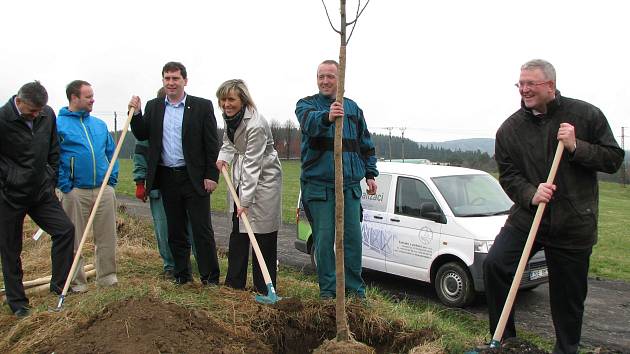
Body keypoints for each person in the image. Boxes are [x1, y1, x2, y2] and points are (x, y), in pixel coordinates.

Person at [484, 59, 624, 354]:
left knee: (567, 298)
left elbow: (613, 159)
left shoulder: (585, 115)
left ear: (550, 85)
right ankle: (506, 342)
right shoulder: (510, 129)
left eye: (530, 84)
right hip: (529, 216)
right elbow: (508, 175)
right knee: (495, 265)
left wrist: (576, 147)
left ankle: (565, 350)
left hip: (574, 221)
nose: (523, 89)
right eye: (520, 84)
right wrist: (530, 193)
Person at [128, 61, 221, 285]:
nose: (171, 83)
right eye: (167, 79)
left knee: (201, 229)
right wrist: (136, 113)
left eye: (175, 78)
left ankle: (210, 279)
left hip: (194, 178)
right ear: (163, 81)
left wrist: (212, 175)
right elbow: (142, 133)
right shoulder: (155, 106)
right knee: (175, 230)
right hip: (168, 177)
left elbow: (211, 143)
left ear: (184, 81)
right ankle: (182, 275)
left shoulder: (202, 106)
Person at [295, 59, 378, 299]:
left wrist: (370, 173)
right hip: (319, 187)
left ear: (340, 79)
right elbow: (309, 123)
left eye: (330, 76)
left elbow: (366, 145)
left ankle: (354, 292)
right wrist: (327, 117)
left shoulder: (353, 109)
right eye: (321, 76)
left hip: (350, 187)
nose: (325, 81)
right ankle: (329, 293)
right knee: (324, 241)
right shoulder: (306, 105)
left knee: (352, 240)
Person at [0, 81, 74, 317]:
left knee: (65, 230)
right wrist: (6, 183)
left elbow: (54, 147)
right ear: (18, 101)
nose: (36, 115)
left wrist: (50, 176)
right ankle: (18, 303)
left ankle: (60, 286)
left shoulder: (47, 114)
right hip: (10, 195)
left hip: (41, 192)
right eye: (32, 111)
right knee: (11, 248)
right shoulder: (2, 119)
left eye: (39, 110)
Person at [215, 79, 282, 295]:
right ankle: (235, 284)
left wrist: (244, 201)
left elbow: (253, 164)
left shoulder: (256, 124)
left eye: (231, 99)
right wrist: (223, 158)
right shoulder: (230, 119)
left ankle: (264, 288)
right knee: (238, 233)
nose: (226, 104)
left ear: (242, 99)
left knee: (263, 234)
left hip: (264, 180)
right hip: (240, 176)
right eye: (223, 99)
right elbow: (228, 142)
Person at [57, 80, 119, 292]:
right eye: (88, 96)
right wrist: (66, 185)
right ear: (74, 98)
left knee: (107, 236)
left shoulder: (99, 125)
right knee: (74, 239)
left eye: (92, 95)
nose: (93, 100)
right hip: (75, 192)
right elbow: (54, 157)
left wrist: (111, 181)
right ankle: (77, 283)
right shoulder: (58, 125)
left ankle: (108, 278)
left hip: (103, 190)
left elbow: (112, 153)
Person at [133, 87, 196, 280]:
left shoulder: (183, 124)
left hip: (184, 183)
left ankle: (190, 262)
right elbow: (140, 155)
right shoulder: (149, 127)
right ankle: (170, 264)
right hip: (158, 186)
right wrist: (140, 182)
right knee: (164, 226)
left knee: (189, 225)